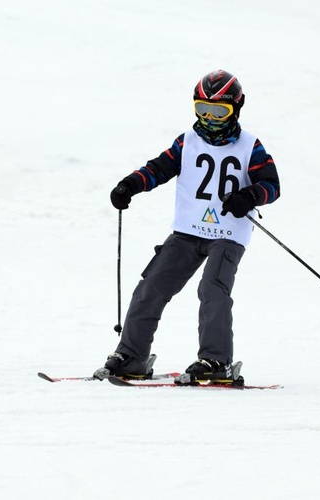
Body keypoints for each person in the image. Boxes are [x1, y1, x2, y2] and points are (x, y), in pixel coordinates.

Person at [94, 70, 280, 383]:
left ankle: (215, 361)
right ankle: (132, 356)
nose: (209, 118)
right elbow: (158, 169)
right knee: (151, 286)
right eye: (201, 109)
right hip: (187, 231)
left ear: (237, 107)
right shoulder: (187, 142)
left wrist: (249, 195)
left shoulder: (250, 147)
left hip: (228, 234)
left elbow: (272, 186)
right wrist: (130, 185)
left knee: (212, 288)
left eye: (219, 111)